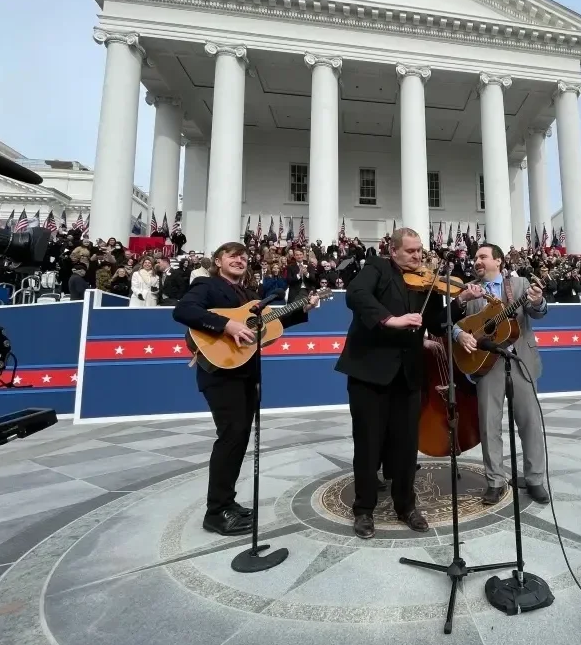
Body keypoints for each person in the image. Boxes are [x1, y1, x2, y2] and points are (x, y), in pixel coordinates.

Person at [173, 241, 320, 536]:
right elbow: (184, 311)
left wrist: (302, 308)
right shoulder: (207, 285)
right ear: (218, 260)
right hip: (220, 372)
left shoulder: (251, 296)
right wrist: (226, 326)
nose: (240, 260)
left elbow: (270, 324)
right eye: (232, 255)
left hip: (245, 373)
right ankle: (216, 512)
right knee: (230, 437)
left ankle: (227, 502)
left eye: (244, 256)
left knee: (239, 437)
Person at [334, 227, 446, 539]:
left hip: (408, 375)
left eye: (420, 250)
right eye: (410, 251)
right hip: (370, 373)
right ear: (393, 250)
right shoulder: (378, 268)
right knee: (368, 444)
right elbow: (356, 296)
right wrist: (389, 319)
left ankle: (406, 506)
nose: (417, 256)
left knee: (406, 445)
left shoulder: (427, 282)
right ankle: (364, 509)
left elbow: (437, 321)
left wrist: (461, 300)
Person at [452, 243, 550, 505]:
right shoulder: (470, 290)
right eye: (475, 258)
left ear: (499, 261)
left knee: (530, 422)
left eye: (483, 257)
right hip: (485, 363)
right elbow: (456, 323)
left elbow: (537, 312)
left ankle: (535, 479)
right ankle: (494, 481)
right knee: (489, 425)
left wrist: (538, 300)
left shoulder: (520, 286)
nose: (477, 261)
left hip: (520, 360)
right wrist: (460, 334)